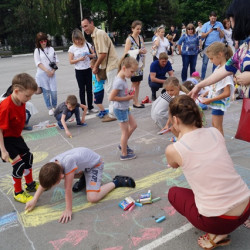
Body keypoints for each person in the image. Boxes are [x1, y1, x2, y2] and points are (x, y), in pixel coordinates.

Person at [165, 95, 250, 249]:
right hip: (246, 208)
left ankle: (215, 234)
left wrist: (178, 137)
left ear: (176, 120)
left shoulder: (174, 149)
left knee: (174, 193)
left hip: (220, 221)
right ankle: (221, 227)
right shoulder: (215, 132)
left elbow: (174, 164)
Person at [25, 147, 136, 223]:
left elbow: (67, 189)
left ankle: (117, 182)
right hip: (83, 166)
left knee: (92, 197)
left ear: (60, 178)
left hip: (95, 165)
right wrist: (34, 199)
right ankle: (84, 178)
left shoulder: (67, 162)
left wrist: (68, 209)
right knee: (71, 174)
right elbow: (44, 181)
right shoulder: (51, 165)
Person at [0, 73, 39, 203]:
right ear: (16, 91)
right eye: (27, 95)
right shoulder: (5, 107)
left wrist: (19, 134)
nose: (29, 98)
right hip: (5, 140)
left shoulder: (21, 101)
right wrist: (3, 150)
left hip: (15, 137)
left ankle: (30, 185)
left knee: (28, 157)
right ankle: (18, 192)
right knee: (19, 165)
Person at [81, 16, 118, 122]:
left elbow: (103, 53)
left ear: (92, 23)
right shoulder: (95, 35)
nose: (85, 29)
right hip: (107, 65)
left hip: (111, 64)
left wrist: (95, 66)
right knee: (109, 89)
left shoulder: (99, 34)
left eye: (86, 26)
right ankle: (114, 111)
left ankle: (113, 114)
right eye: (83, 27)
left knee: (110, 90)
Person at [199, 42, 234, 136]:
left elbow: (227, 93)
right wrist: (206, 93)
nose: (210, 61)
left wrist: (210, 99)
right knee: (215, 126)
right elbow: (215, 86)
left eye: (211, 58)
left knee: (217, 128)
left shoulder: (225, 72)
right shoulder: (219, 68)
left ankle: (220, 146)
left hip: (218, 103)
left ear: (220, 54)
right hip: (215, 102)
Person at [109, 55, 138, 161]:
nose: (133, 74)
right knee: (125, 132)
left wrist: (128, 94)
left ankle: (123, 144)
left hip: (125, 107)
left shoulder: (123, 78)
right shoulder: (119, 81)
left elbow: (121, 94)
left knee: (134, 125)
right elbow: (111, 97)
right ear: (124, 68)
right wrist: (128, 97)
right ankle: (124, 154)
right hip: (120, 109)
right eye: (132, 71)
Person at [68, 29, 97, 114]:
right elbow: (70, 61)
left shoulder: (87, 44)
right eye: (76, 40)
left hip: (88, 69)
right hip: (79, 71)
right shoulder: (72, 48)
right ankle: (84, 107)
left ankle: (91, 107)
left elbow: (95, 54)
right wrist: (79, 59)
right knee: (82, 89)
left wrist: (89, 55)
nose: (78, 41)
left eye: (80, 39)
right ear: (73, 39)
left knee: (89, 89)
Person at [34, 32, 59, 116]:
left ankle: (54, 106)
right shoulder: (37, 51)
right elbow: (38, 63)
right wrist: (47, 71)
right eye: (41, 41)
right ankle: (49, 107)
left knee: (54, 92)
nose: (43, 42)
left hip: (52, 73)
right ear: (38, 42)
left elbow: (56, 61)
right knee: (46, 92)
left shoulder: (51, 49)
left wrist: (52, 71)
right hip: (42, 74)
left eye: (44, 40)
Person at [124, 20, 147, 108]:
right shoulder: (129, 39)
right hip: (133, 64)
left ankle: (135, 99)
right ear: (132, 29)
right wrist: (138, 51)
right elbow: (126, 52)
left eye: (140, 29)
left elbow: (143, 47)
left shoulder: (140, 37)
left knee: (138, 82)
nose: (139, 31)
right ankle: (134, 101)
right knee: (134, 83)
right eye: (137, 29)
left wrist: (144, 50)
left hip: (140, 64)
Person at [201, 11, 224, 80]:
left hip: (216, 46)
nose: (213, 20)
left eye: (214, 18)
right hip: (207, 46)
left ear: (216, 18)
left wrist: (220, 31)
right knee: (205, 62)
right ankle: (202, 77)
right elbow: (202, 35)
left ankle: (214, 78)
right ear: (209, 17)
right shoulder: (205, 24)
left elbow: (222, 36)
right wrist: (209, 31)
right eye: (212, 18)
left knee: (215, 62)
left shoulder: (219, 24)